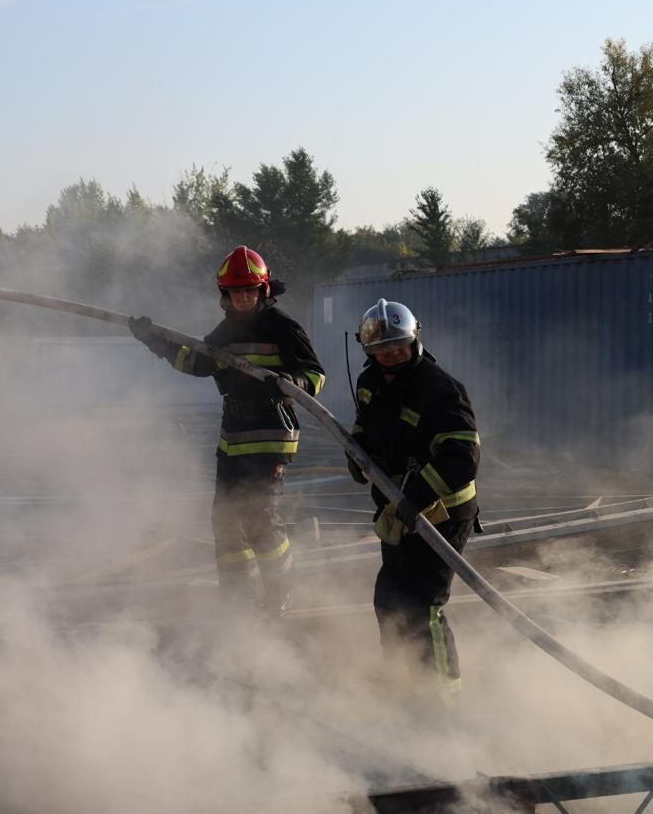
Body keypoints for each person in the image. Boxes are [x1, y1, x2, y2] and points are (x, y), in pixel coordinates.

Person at [128, 246, 324, 615]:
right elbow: (196, 362)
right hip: (233, 434)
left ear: (263, 290)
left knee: (258, 517)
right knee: (226, 520)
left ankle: (279, 592)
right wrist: (153, 340)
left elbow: (315, 375)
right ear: (225, 296)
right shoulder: (225, 330)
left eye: (250, 290)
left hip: (270, 429)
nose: (243, 298)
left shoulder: (283, 327)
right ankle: (237, 598)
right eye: (236, 292)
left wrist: (286, 381)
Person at [348, 298, 481, 703]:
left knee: (423, 606)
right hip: (399, 510)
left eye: (399, 347)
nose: (392, 356)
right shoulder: (370, 383)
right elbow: (363, 427)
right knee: (389, 600)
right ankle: (401, 683)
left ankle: (442, 700)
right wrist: (356, 452)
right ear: (369, 351)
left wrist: (418, 494)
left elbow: (462, 456)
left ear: (415, 340)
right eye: (383, 350)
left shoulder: (438, 388)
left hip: (442, 513)